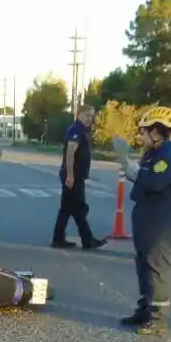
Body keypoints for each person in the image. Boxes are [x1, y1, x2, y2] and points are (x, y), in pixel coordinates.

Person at [118, 106, 171, 335]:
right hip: (148, 214)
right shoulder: (154, 153)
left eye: (144, 131)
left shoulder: (168, 155)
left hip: (162, 218)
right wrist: (131, 167)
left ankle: (159, 319)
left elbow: (154, 182)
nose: (141, 135)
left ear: (156, 132)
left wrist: (132, 168)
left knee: (158, 266)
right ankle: (146, 309)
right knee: (144, 263)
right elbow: (144, 179)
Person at [51, 105, 108, 250]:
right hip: (73, 177)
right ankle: (86, 240)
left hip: (76, 176)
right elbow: (70, 153)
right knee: (78, 208)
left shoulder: (81, 130)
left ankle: (60, 239)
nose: (90, 118)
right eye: (87, 115)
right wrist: (70, 176)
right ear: (79, 115)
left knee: (70, 209)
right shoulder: (76, 130)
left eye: (91, 116)